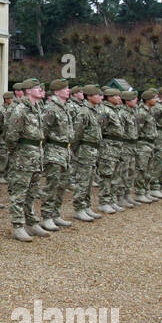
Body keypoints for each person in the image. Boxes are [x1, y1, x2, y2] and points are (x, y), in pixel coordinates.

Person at [6, 78, 48, 240]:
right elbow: (11, 136)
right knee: (19, 193)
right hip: (23, 156)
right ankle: (18, 225)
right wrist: (16, 153)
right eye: (36, 88)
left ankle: (31, 222)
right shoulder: (20, 110)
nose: (40, 90)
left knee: (32, 192)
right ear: (28, 91)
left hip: (36, 155)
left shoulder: (37, 108)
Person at [38, 78, 75, 230]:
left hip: (65, 152)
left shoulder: (64, 107)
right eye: (65, 88)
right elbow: (43, 131)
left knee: (62, 185)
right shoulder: (51, 108)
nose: (68, 90)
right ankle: (47, 216)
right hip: (54, 151)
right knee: (51, 185)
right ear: (57, 91)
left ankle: (55, 213)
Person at [69, 85, 104, 221]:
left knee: (89, 180)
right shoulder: (84, 112)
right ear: (89, 96)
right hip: (85, 149)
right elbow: (77, 133)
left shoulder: (94, 111)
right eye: (96, 94)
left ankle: (86, 205)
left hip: (93, 149)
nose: (99, 96)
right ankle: (78, 208)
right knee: (83, 180)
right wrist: (76, 149)